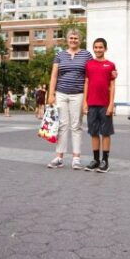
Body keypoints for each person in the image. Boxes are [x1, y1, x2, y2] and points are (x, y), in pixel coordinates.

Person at [46, 29, 93, 169]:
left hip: (78, 94)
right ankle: (59, 157)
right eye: (71, 38)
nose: (73, 40)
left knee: (76, 125)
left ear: (80, 40)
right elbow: (54, 75)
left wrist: (111, 74)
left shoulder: (86, 55)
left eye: (76, 38)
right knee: (62, 125)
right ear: (67, 39)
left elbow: (89, 75)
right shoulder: (60, 54)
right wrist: (51, 94)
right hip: (61, 93)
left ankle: (76, 158)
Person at [83, 38, 116, 173]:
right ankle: (96, 160)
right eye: (95, 47)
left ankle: (105, 161)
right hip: (91, 104)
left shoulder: (110, 65)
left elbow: (113, 86)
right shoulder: (89, 64)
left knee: (106, 133)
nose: (98, 49)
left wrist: (111, 104)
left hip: (105, 105)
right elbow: (86, 82)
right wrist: (85, 102)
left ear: (105, 49)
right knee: (94, 133)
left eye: (100, 47)